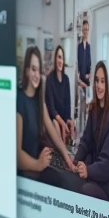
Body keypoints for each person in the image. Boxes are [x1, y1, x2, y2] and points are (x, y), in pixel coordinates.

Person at [16, 46, 75, 187]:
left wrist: (67, 157)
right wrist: (38, 164)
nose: (37, 75)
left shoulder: (38, 99)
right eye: (33, 69)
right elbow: (17, 155)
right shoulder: (19, 100)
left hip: (38, 166)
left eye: (39, 70)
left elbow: (52, 131)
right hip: (26, 173)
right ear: (26, 71)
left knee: (66, 181)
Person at [72, 61, 109, 205]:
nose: (99, 86)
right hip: (98, 175)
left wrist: (88, 170)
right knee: (72, 181)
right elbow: (85, 142)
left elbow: (107, 164)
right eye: (96, 81)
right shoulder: (94, 110)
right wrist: (74, 162)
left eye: (102, 81)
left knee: (84, 190)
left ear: (107, 84)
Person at [45, 45, 74, 145]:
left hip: (63, 119)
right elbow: (51, 109)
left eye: (61, 57)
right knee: (57, 124)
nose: (60, 60)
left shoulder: (66, 79)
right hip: (54, 120)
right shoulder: (49, 80)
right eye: (58, 57)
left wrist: (68, 121)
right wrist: (62, 122)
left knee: (71, 126)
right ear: (55, 59)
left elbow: (68, 105)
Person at [77, 19, 92, 130]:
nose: (85, 31)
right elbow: (78, 64)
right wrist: (80, 78)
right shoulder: (79, 47)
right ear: (82, 30)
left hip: (87, 82)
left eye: (87, 29)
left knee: (87, 108)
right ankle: (80, 129)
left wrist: (89, 75)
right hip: (80, 82)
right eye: (84, 29)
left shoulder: (90, 47)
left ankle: (86, 129)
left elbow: (90, 65)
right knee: (81, 109)